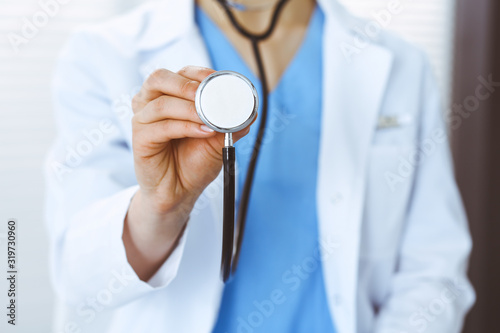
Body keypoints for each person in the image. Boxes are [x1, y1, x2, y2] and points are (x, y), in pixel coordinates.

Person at [45, 0, 475, 332]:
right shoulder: (104, 54)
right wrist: (161, 204)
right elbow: (81, 276)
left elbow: (433, 265)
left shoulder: (400, 64)